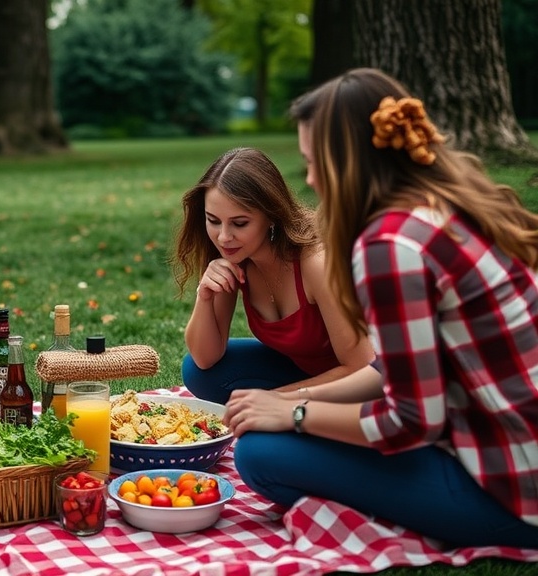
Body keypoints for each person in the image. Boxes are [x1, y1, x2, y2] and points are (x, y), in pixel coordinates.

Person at [223, 68, 538, 548]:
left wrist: (296, 414)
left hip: (514, 490)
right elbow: (389, 370)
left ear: (348, 161)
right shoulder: (445, 206)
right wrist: (283, 400)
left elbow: (412, 421)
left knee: (261, 454)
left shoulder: (390, 246)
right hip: (506, 443)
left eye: (314, 162)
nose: (308, 179)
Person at [172, 147, 374, 405]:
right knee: (199, 373)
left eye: (240, 223)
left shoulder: (315, 263)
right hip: (304, 372)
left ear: (271, 216)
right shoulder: (233, 255)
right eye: (213, 220)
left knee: (256, 446)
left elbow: (362, 367)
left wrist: (275, 400)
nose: (223, 236)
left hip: (363, 387)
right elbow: (205, 358)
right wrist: (205, 295)